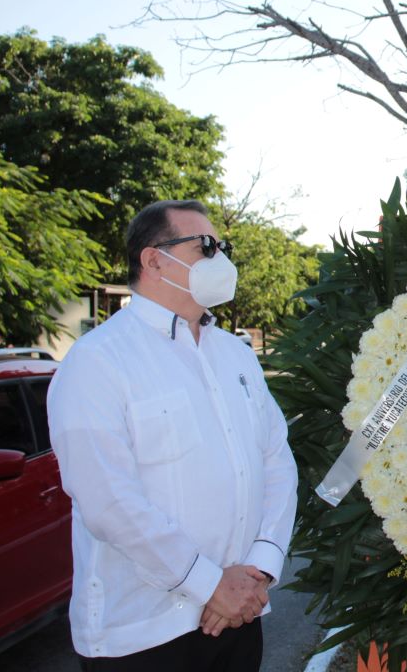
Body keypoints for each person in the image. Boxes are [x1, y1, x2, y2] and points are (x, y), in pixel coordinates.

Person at [48, 200, 298, 671]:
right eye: (206, 246)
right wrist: (210, 584)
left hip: (241, 612)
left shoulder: (235, 355)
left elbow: (275, 460)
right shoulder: (98, 361)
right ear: (153, 259)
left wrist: (260, 568)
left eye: (223, 247)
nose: (220, 259)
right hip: (145, 634)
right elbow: (109, 502)